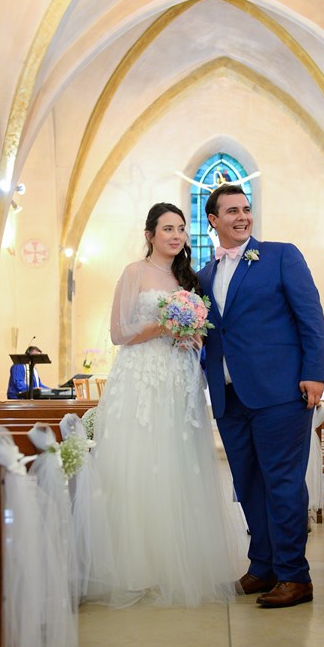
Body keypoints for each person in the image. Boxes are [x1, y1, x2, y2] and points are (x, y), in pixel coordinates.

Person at [91, 202, 240, 607]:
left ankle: (175, 561)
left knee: (178, 459)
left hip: (180, 376)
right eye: (167, 229)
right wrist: (166, 325)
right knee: (139, 459)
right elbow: (119, 332)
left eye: (180, 229)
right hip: (141, 376)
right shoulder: (134, 272)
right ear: (150, 235)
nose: (176, 236)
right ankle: (135, 565)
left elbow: (203, 330)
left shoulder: (188, 277)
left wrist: (193, 334)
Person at [197, 184, 324, 608]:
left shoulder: (280, 256)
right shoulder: (204, 275)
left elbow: (311, 316)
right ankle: (263, 566)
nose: (242, 217)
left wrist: (315, 373)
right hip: (229, 396)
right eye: (231, 211)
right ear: (213, 220)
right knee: (248, 483)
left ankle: (295, 575)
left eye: (246, 209)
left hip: (280, 392)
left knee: (283, 483)